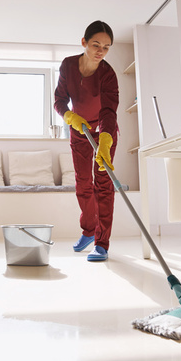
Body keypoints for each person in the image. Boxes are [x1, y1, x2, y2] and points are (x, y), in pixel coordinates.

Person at [54, 20, 119, 262]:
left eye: (106, 46)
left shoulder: (108, 74)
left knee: (103, 184)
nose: (100, 51)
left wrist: (105, 140)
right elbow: (59, 100)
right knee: (83, 183)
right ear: (84, 42)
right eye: (95, 44)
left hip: (103, 133)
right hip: (78, 129)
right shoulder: (68, 66)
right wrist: (69, 115)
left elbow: (109, 111)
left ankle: (101, 243)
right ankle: (89, 231)